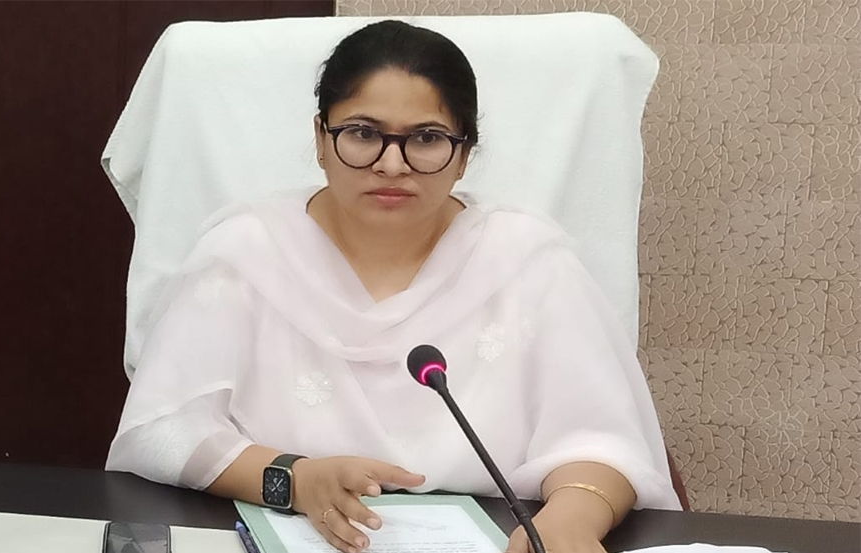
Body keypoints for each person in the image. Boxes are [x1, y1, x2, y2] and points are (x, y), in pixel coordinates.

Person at [107, 19, 681, 553]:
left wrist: (571, 519)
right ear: (320, 138)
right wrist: (291, 478)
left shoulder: (531, 263)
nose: (391, 164)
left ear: (464, 154)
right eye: (363, 133)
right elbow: (161, 430)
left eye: (426, 138)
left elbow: (604, 440)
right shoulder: (244, 253)